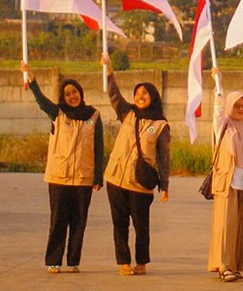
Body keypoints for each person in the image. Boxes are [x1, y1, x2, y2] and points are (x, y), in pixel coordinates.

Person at [21, 62, 103, 274]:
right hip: (59, 177)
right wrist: (31, 79)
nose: (72, 96)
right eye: (67, 94)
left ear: (80, 93)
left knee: (79, 222)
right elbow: (41, 101)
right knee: (58, 220)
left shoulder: (94, 116)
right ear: (62, 97)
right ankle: (53, 261)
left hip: (83, 178)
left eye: (74, 92)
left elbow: (99, 147)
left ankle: (73, 261)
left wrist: (97, 176)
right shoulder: (58, 114)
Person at [101, 53, 170, 276]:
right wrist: (109, 71)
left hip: (140, 181)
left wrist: (165, 184)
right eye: (138, 93)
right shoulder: (127, 113)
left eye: (145, 93)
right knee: (119, 223)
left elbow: (163, 156)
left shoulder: (160, 124)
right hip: (115, 178)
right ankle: (123, 262)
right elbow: (114, 96)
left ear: (153, 97)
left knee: (141, 226)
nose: (140, 96)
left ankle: (141, 262)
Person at [207, 68, 243, 283]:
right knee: (225, 227)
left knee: (242, 227)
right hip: (227, 183)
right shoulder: (224, 126)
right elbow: (218, 113)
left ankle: (236, 264)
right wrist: (218, 84)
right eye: (237, 106)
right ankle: (223, 265)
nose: (240, 109)